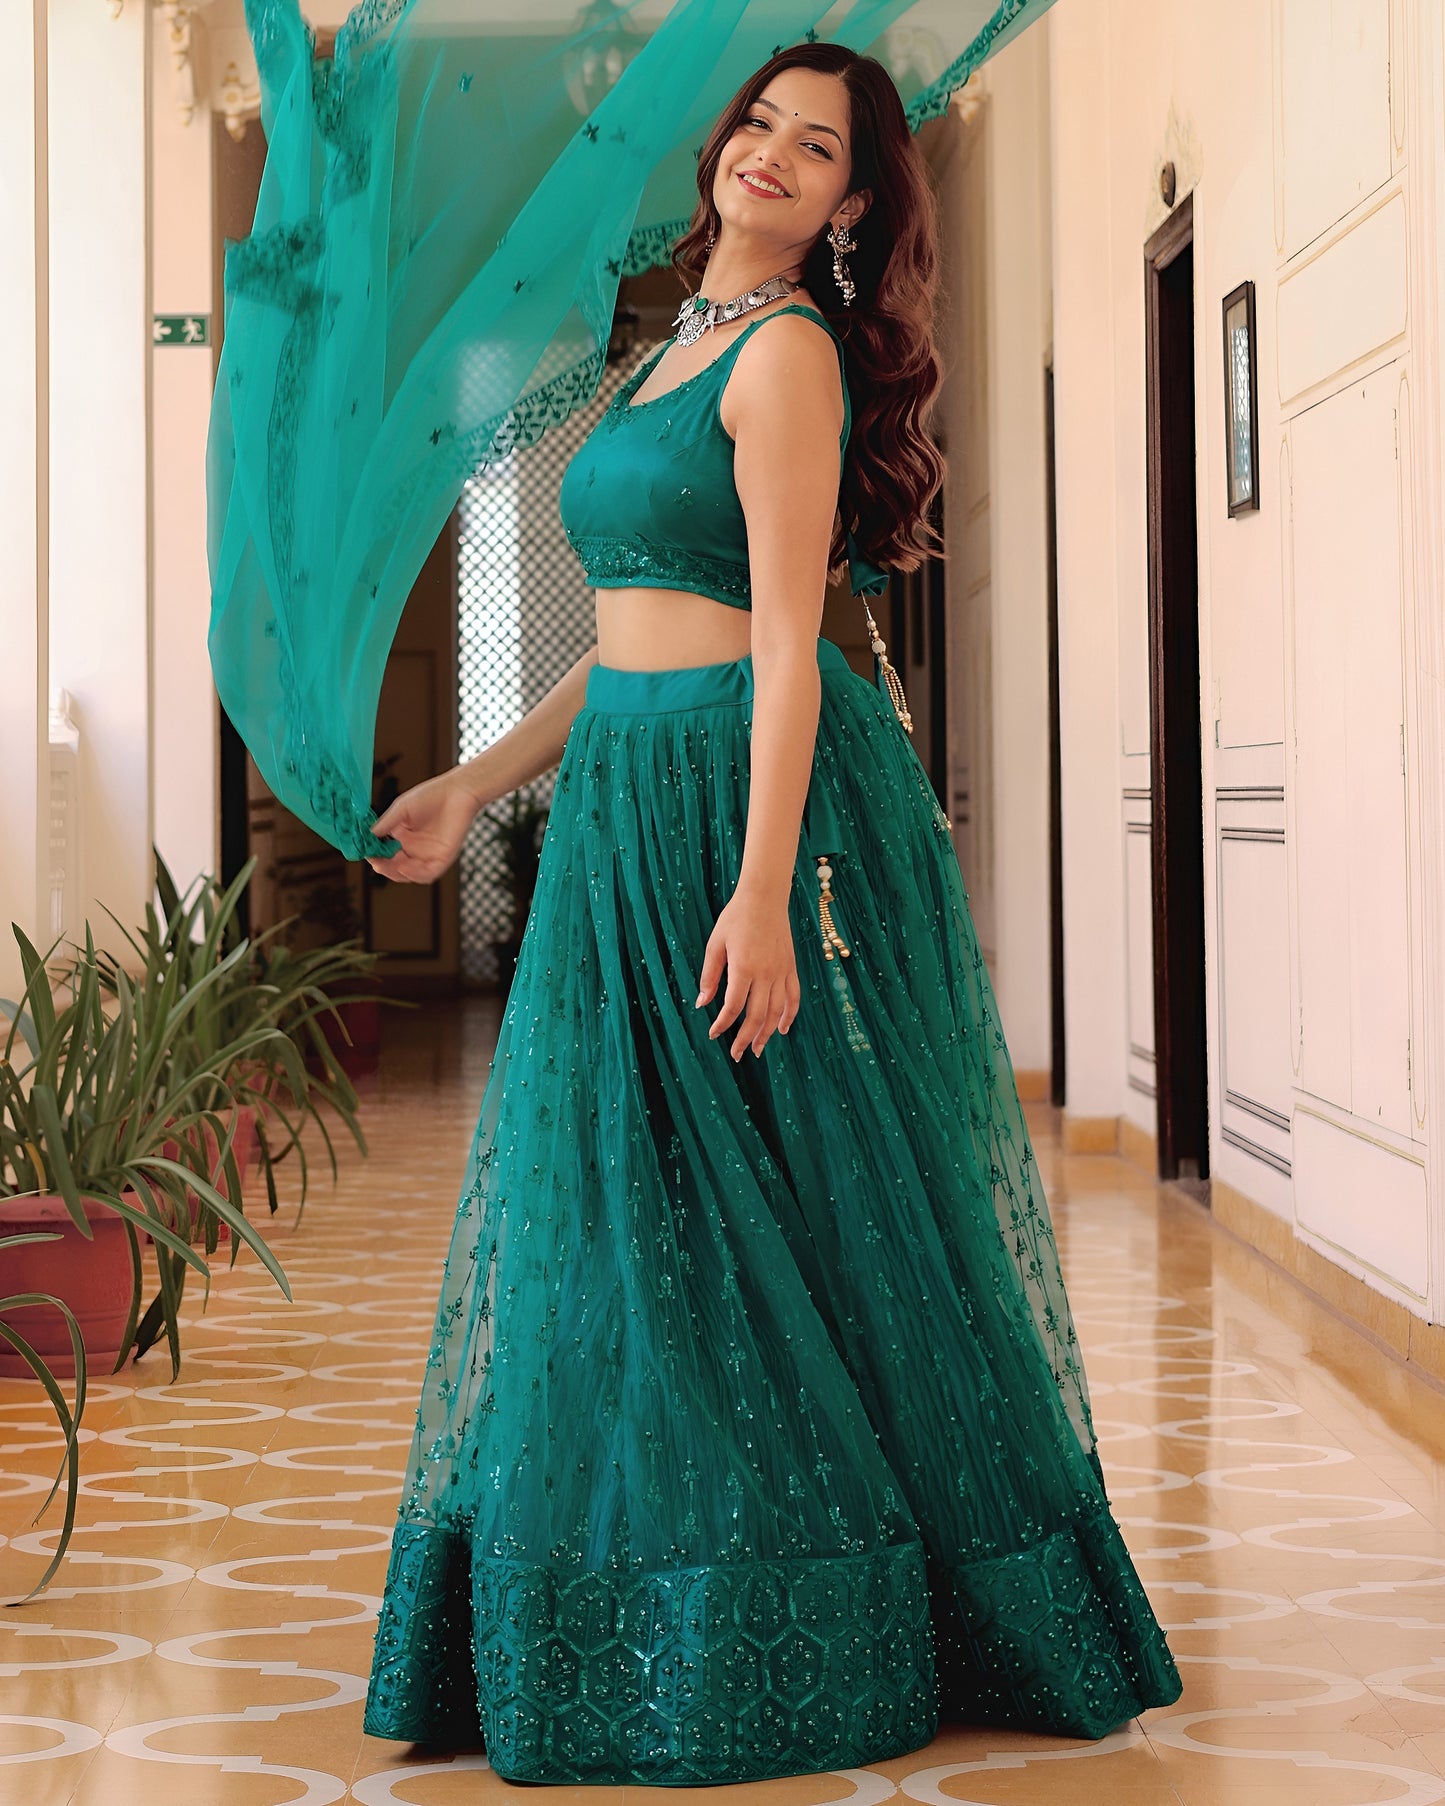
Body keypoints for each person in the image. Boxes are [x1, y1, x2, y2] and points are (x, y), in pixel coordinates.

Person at [357, 39, 1183, 1788]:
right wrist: (470, 782)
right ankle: (655, 1588)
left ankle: (839, 1603)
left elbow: (785, 647)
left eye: (817, 150)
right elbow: (631, 633)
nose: (771, 156)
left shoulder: (790, 355)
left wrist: (758, 890)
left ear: (852, 204)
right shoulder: (675, 346)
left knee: (795, 1193)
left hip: (743, 799)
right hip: (621, 803)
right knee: (623, 1188)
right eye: (759, 125)